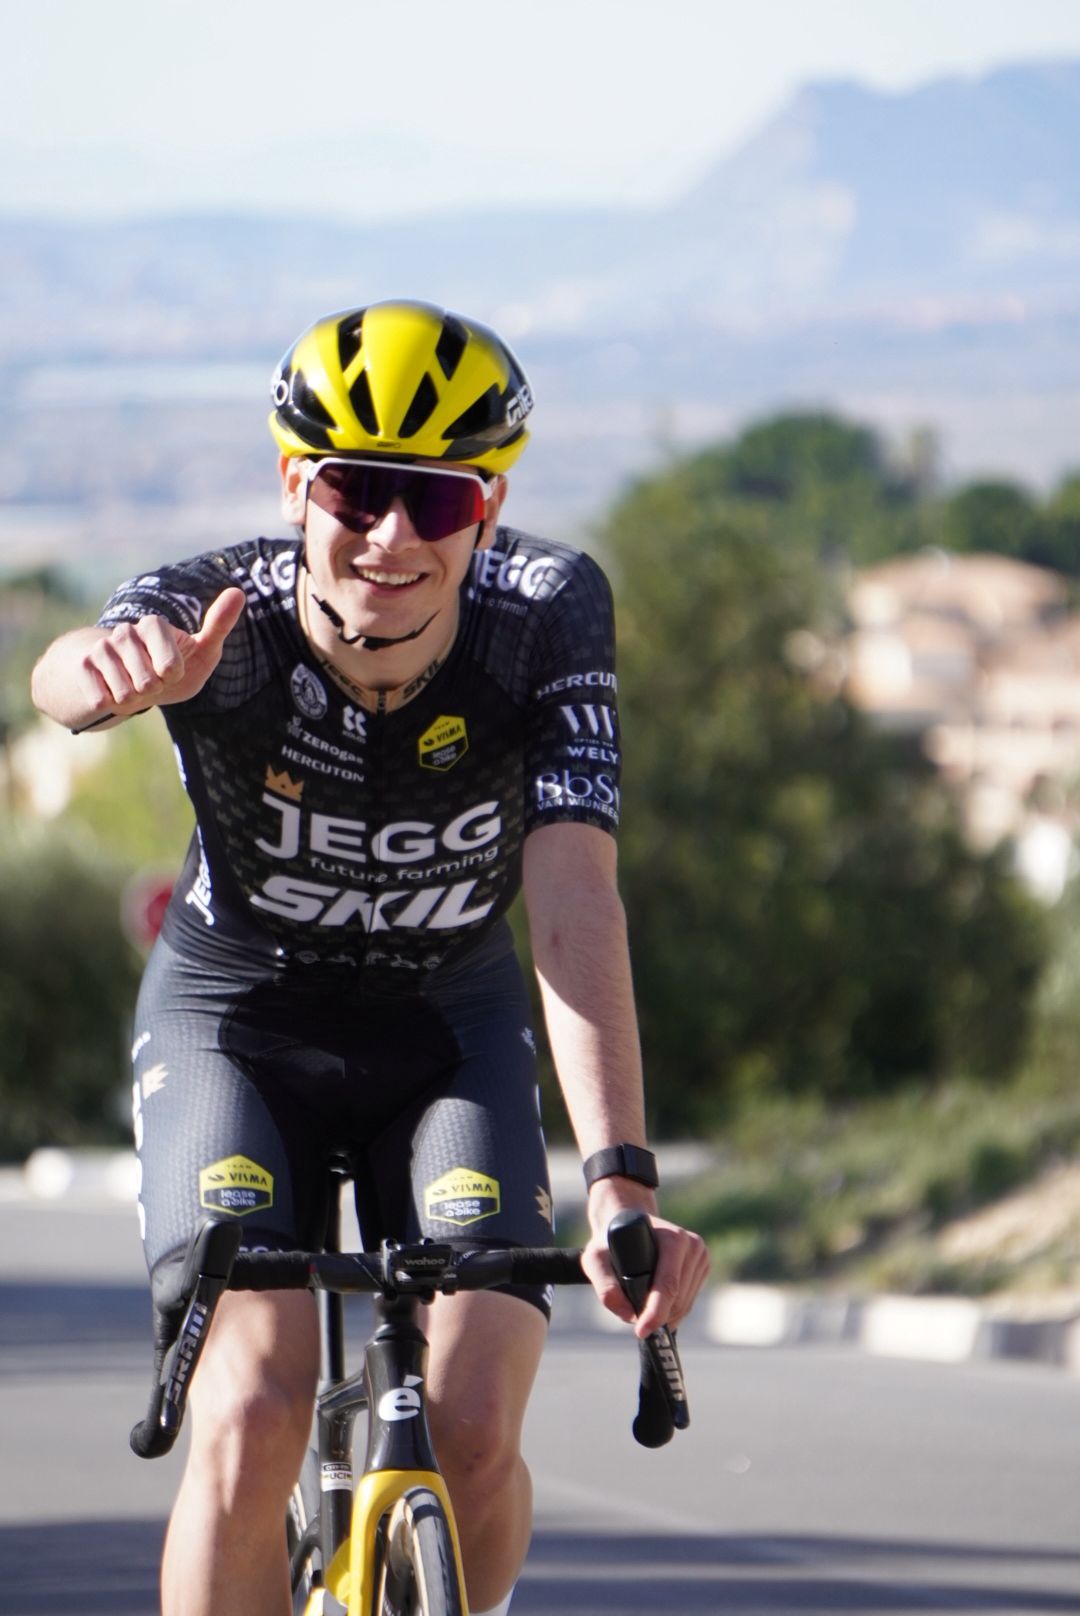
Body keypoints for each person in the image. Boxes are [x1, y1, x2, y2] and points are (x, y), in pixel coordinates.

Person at [30, 299, 709, 1616]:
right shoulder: (222, 616)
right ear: (298, 485)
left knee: (476, 1429)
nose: (392, 536)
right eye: (356, 491)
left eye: (438, 499)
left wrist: (622, 1185)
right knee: (254, 1412)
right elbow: (65, 672)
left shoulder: (547, 611)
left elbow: (573, 897)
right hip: (238, 1024)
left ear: (488, 508)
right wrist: (107, 676)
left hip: (445, 1029)